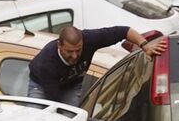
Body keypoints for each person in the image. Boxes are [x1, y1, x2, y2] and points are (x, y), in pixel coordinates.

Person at [27, 25, 169, 105]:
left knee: (71, 120)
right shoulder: (47, 62)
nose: (75, 56)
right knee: (41, 120)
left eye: (79, 50)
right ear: (60, 45)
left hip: (72, 83)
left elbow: (124, 31)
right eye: (70, 52)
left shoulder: (91, 38)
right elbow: (55, 103)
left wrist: (145, 46)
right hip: (40, 84)